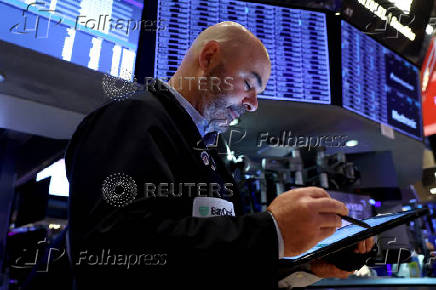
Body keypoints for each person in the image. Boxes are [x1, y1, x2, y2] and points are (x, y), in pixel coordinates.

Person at [64, 21, 374, 289]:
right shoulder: (133, 116)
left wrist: (300, 264)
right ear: (209, 57)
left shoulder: (206, 153)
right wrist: (271, 232)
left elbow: (208, 260)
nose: (253, 104)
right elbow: (114, 249)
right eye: (249, 83)